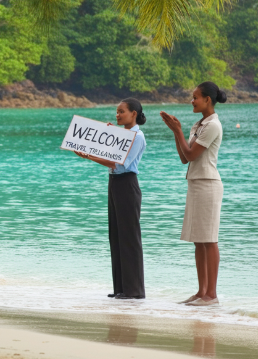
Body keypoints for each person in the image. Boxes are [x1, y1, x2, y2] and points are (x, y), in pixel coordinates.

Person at [160, 82, 226, 307]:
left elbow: (190, 154)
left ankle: (212, 295)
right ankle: (201, 292)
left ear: (207, 99)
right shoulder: (199, 124)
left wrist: (178, 130)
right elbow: (184, 157)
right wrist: (175, 132)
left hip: (208, 184)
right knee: (199, 241)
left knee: (209, 239)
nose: (192, 101)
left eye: (196, 97)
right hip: (196, 183)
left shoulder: (213, 125)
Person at [74, 98, 147, 299]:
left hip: (127, 184)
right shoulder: (121, 135)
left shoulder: (137, 136)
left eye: (121, 111)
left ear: (133, 114)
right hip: (114, 182)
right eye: (117, 111)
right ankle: (121, 288)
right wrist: (108, 135)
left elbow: (118, 162)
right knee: (115, 236)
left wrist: (88, 156)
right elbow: (109, 154)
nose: (117, 115)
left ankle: (134, 291)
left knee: (129, 238)